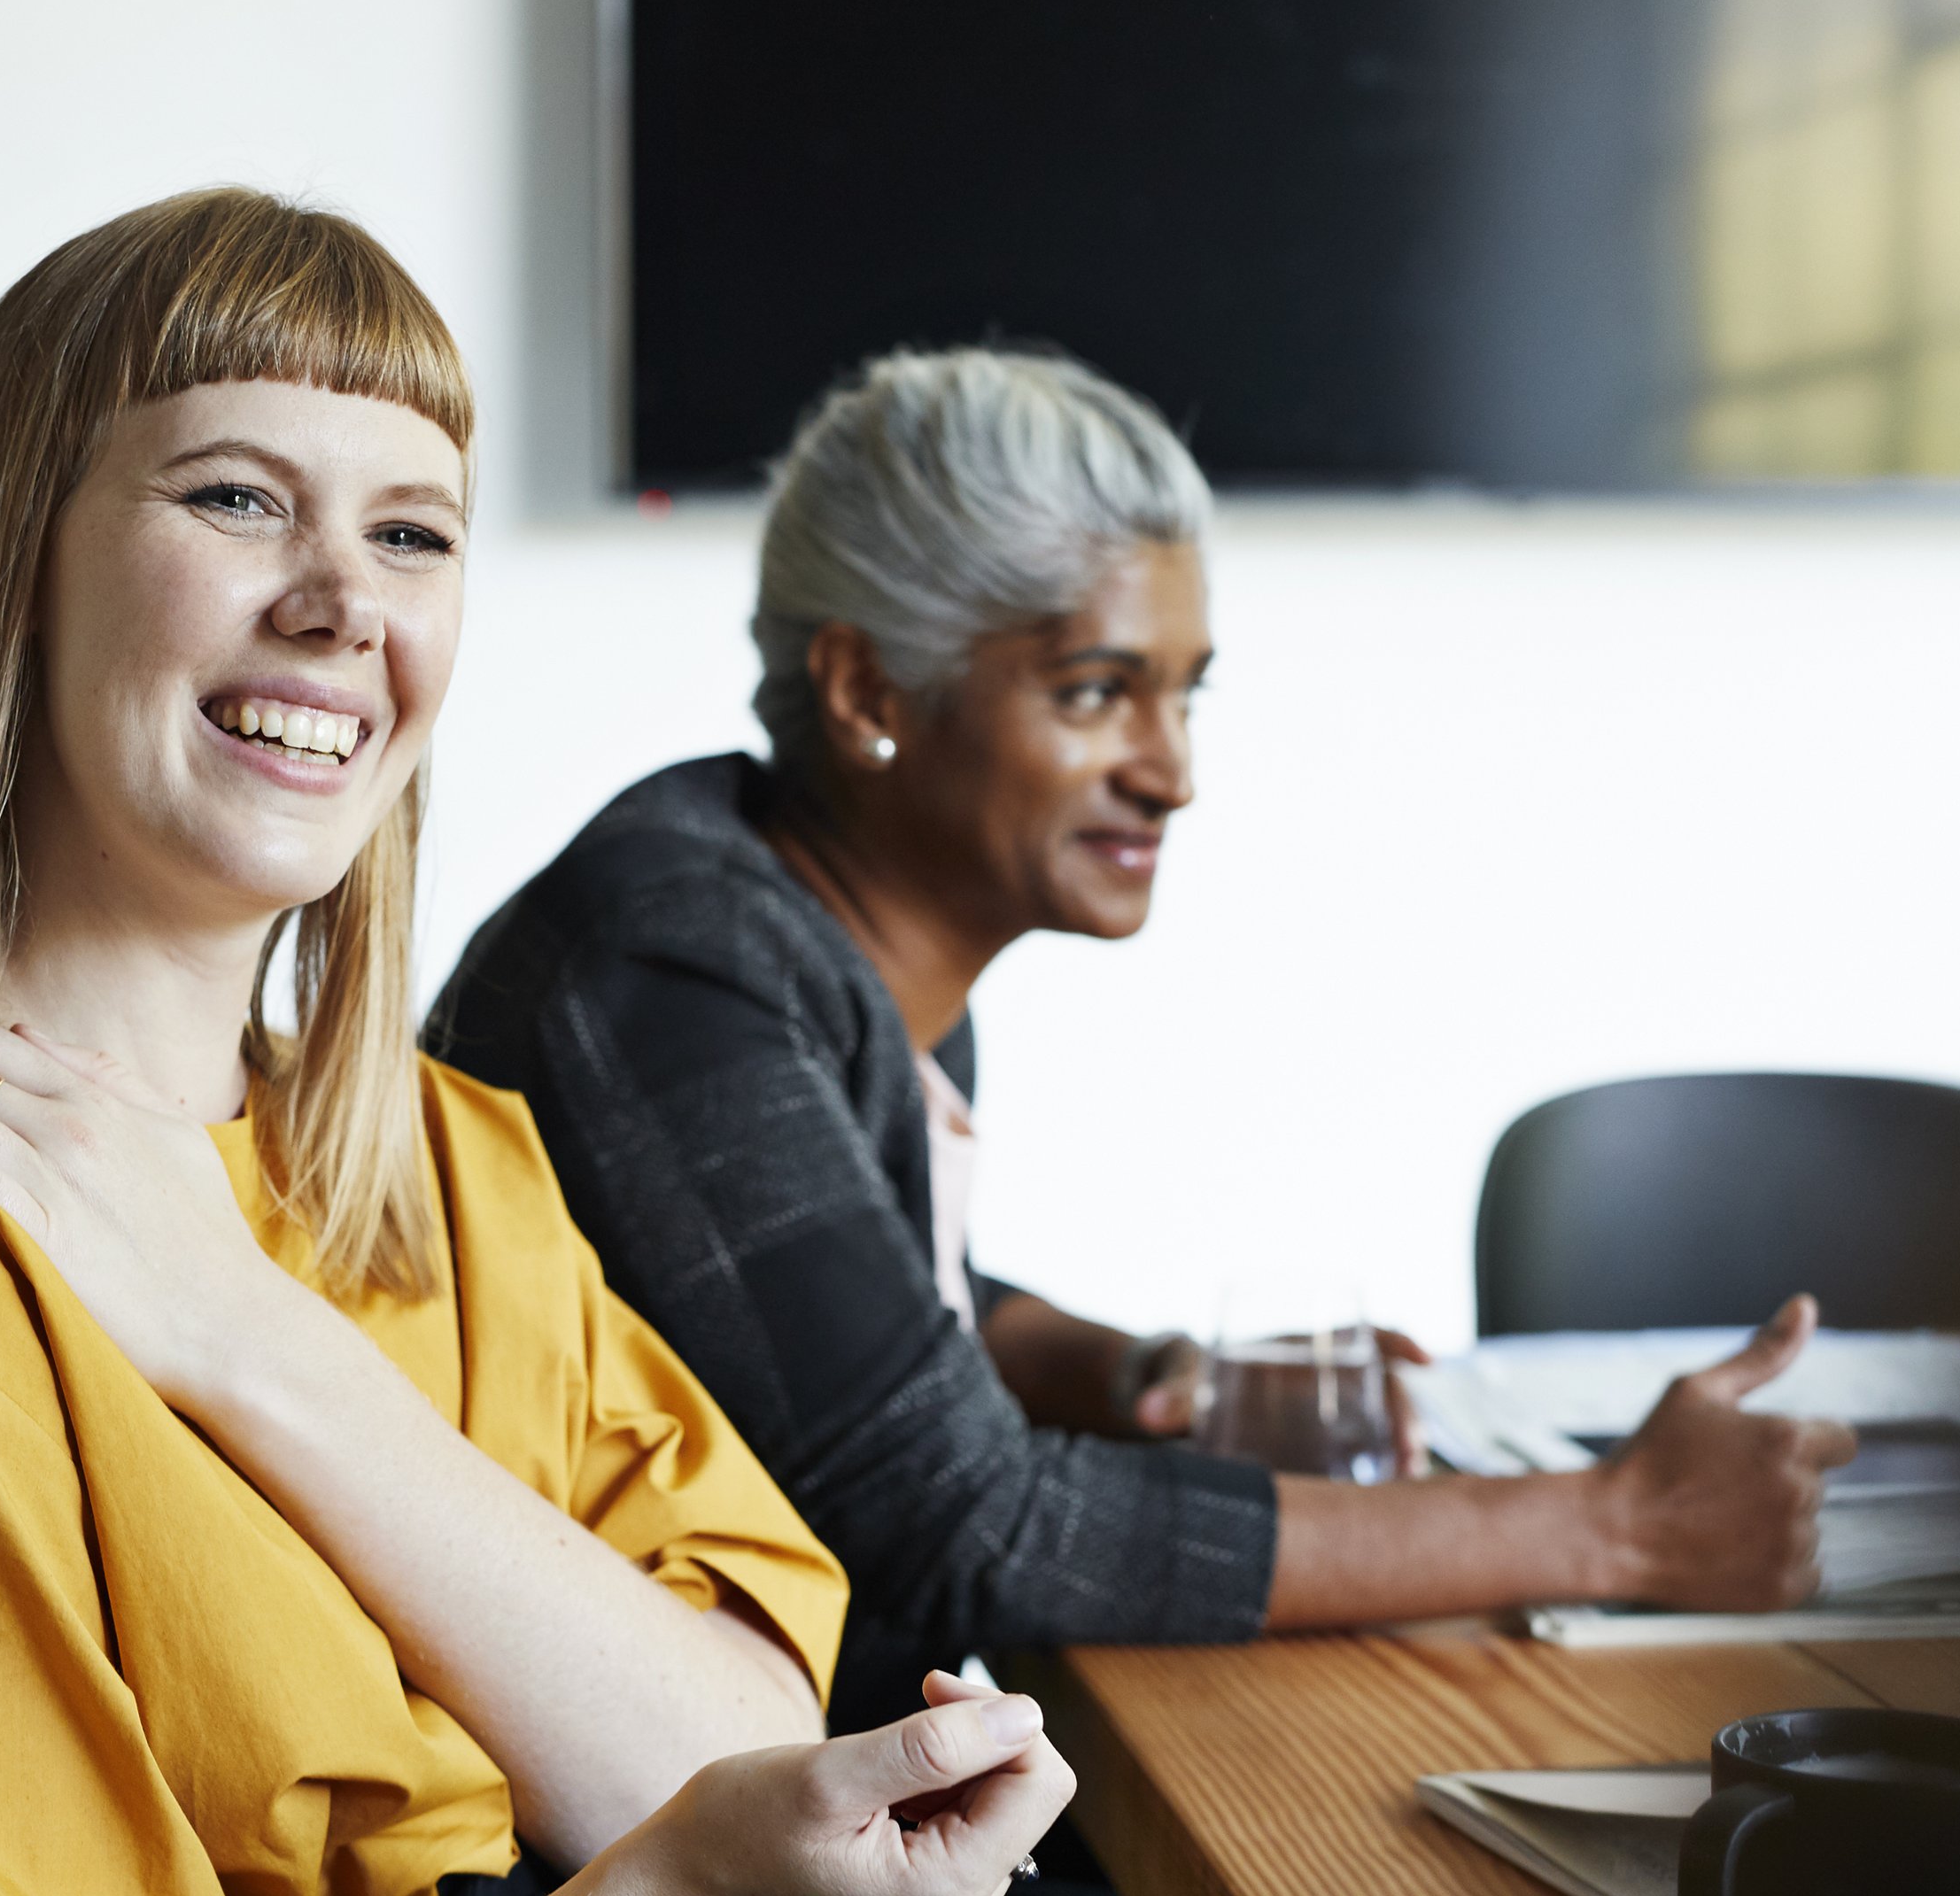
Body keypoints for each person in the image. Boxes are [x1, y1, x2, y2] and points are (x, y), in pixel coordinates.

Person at [0, 193, 1250, 1896]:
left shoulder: (434, 1154)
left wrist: (250, 1345)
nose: (346, 605)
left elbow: (736, 1745)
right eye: (240, 500)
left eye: (411, 531)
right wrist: (661, 1895)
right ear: (21, 570)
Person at [427, 346, 1859, 1737]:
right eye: (1095, 691)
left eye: (1186, 692)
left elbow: (857, 1323)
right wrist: (1607, 1525)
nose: (1172, 771)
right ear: (868, 694)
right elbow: (964, 1528)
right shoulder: (678, 971)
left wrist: (1146, 1376)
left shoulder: (813, 935)